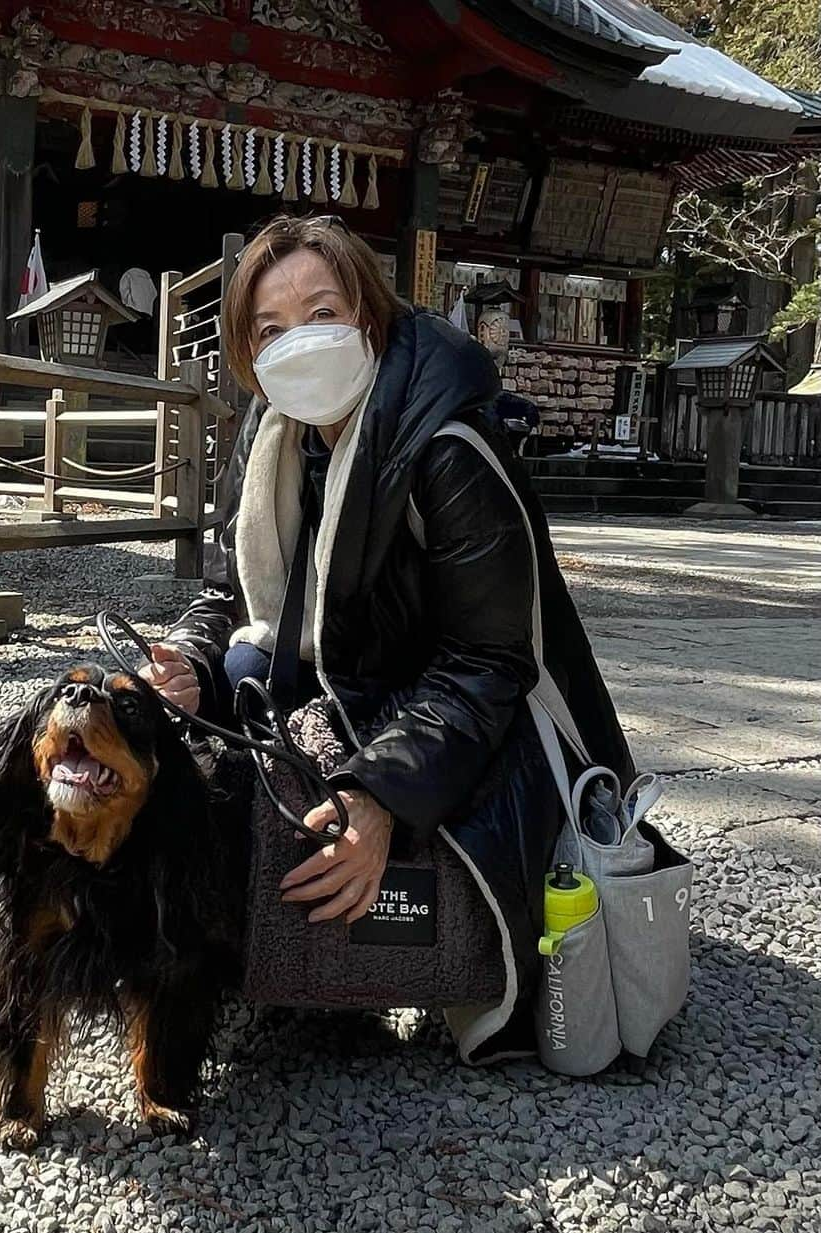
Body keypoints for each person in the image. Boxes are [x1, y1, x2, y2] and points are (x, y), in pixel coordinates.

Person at [139, 215, 634, 1057]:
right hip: (364, 685)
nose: (299, 342)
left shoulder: (449, 446)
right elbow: (236, 595)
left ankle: (421, 953)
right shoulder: (273, 438)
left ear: (370, 313)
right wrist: (188, 662)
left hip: (477, 720)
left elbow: (489, 661)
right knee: (244, 663)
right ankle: (287, 950)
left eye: (322, 311)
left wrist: (380, 798)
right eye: (269, 330)